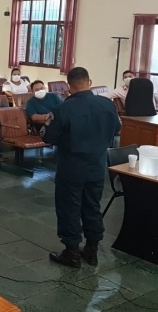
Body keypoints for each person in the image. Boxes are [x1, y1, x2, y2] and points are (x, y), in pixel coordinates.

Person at [40, 67, 121, 268]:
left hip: (71, 168)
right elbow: (117, 128)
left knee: (69, 208)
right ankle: (91, 251)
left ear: (68, 86)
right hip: (97, 166)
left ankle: (72, 253)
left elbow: (47, 136)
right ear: (89, 82)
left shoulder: (62, 109)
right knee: (93, 207)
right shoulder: (107, 104)